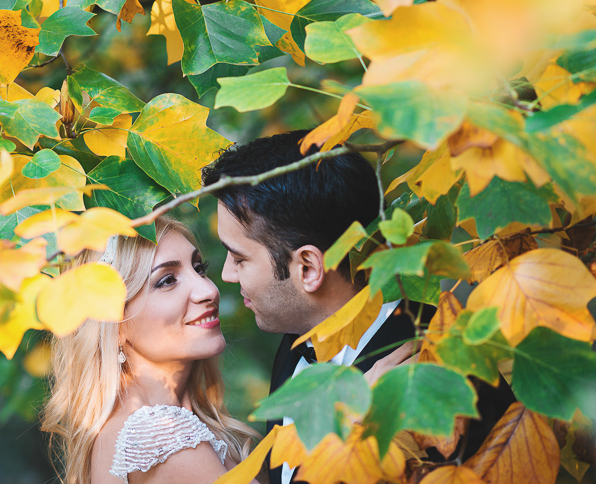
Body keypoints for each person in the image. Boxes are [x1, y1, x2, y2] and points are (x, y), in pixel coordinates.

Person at [201, 129, 515, 484]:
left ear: (307, 268)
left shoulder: (438, 373)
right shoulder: (296, 343)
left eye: (239, 258)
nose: (226, 274)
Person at [41, 217, 260, 484]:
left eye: (199, 268)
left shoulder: (123, 432)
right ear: (114, 326)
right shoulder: (163, 437)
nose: (208, 290)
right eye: (167, 280)